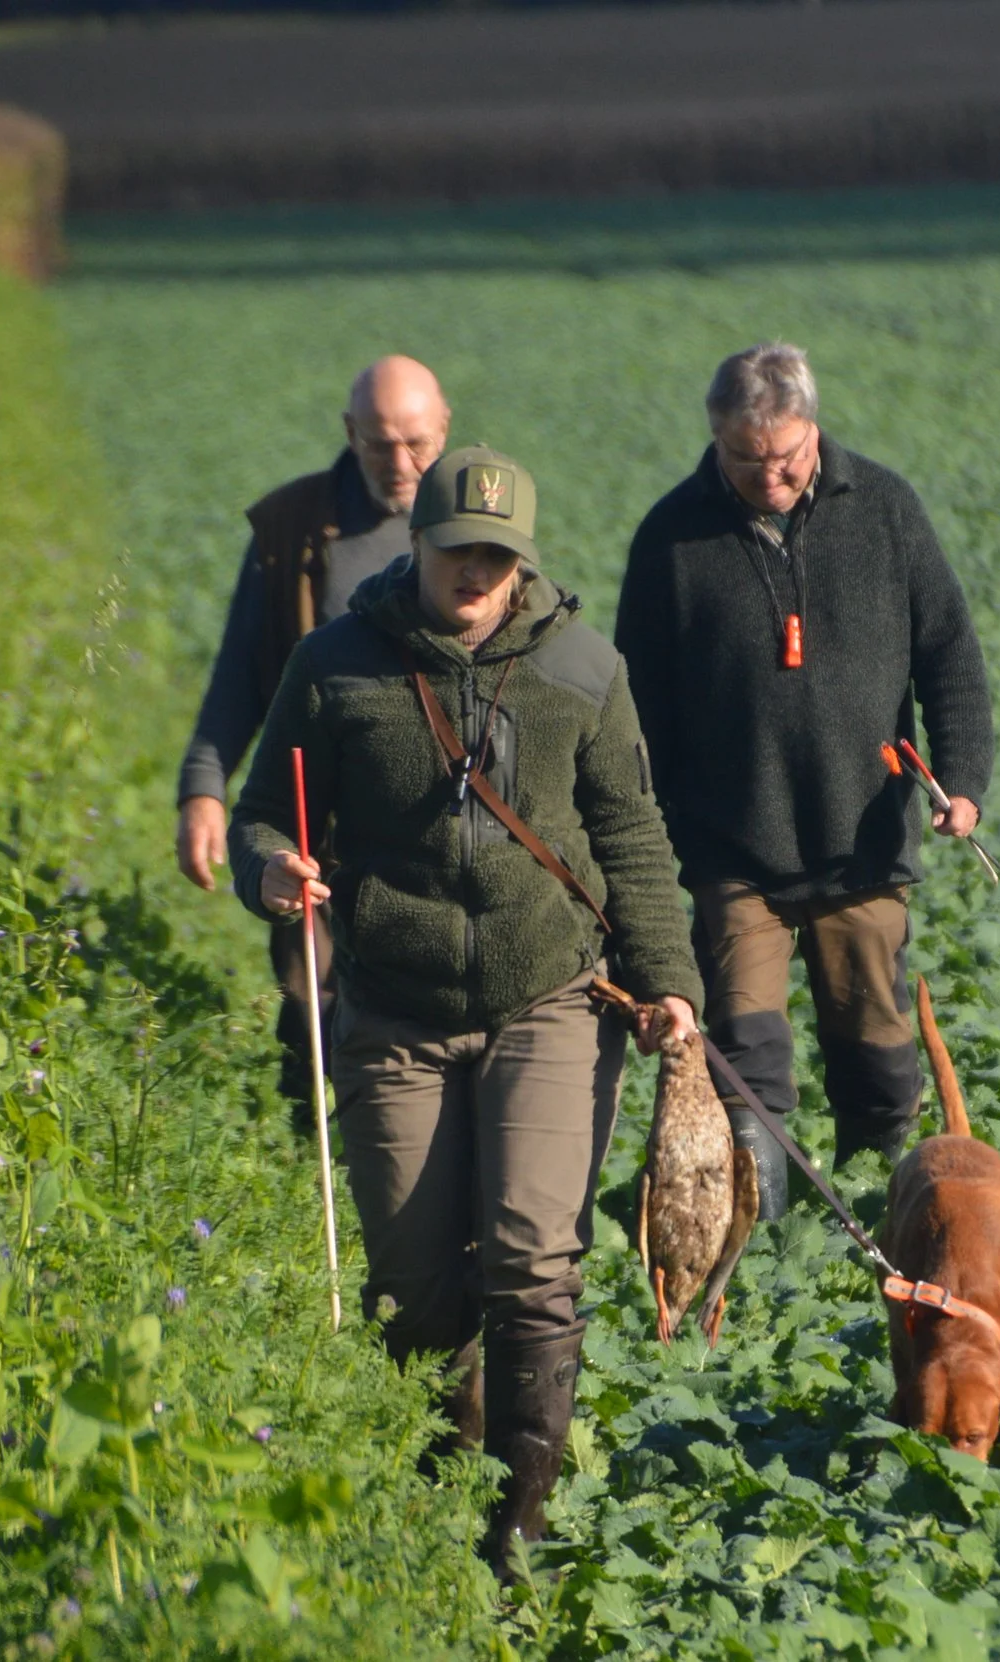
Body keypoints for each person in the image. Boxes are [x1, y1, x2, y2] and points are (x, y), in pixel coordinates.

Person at [229, 445, 701, 1578]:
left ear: (523, 561)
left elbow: (632, 836)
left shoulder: (583, 668)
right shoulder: (335, 665)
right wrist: (273, 868)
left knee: (533, 1265)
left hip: (551, 995)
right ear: (419, 547)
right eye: (458, 553)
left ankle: (519, 1527)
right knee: (416, 1289)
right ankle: (444, 1494)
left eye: (498, 556)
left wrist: (670, 979)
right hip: (393, 1007)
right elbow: (262, 813)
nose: (476, 574)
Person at [614, 342, 993, 1219]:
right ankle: (761, 1251)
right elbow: (635, 704)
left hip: (861, 841)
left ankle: (880, 1227)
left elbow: (950, 655)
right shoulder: (672, 536)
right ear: (716, 438)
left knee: (878, 1062)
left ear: (812, 429)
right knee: (746, 1065)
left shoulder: (886, 509)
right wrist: (648, 827)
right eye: (745, 460)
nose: (769, 477)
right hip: (731, 851)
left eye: (784, 457)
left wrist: (963, 778)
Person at [175, 356, 451, 1103]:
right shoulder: (292, 526)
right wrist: (203, 786)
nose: (401, 465)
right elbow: (241, 671)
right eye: (380, 445)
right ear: (349, 432)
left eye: (418, 444)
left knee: (421, 1012)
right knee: (312, 1005)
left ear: (446, 427)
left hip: (440, 819)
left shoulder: (478, 519)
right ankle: (310, 1141)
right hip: (319, 812)